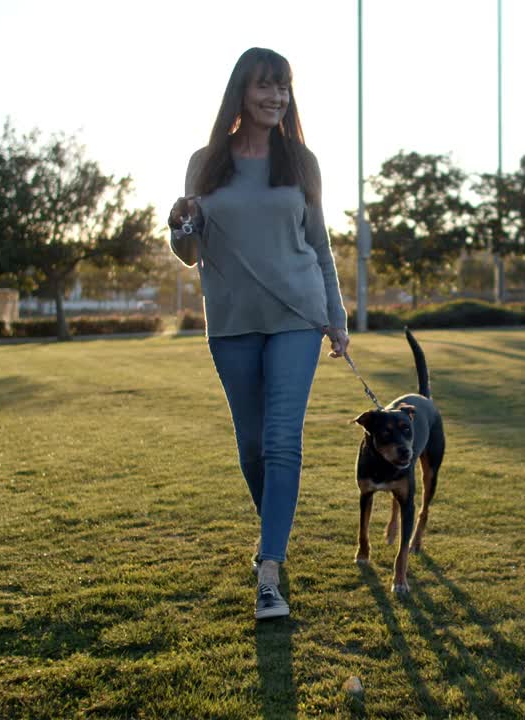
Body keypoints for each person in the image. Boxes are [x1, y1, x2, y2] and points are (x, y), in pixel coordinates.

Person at [167, 47, 349, 621]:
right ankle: (272, 532)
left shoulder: (300, 160)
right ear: (241, 94)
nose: (277, 98)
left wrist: (337, 318)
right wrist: (177, 228)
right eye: (266, 87)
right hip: (231, 322)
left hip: (298, 316)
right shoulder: (205, 162)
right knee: (251, 446)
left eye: (284, 88)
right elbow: (190, 253)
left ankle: (269, 570)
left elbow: (319, 246)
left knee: (280, 441)